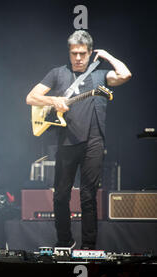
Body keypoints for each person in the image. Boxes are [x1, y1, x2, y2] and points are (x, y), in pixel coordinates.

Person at [26, 30, 131, 249]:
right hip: (66, 141)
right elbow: (30, 97)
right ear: (69, 52)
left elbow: (125, 75)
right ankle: (64, 241)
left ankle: (89, 247)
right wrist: (54, 100)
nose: (78, 58)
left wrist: (108, 56)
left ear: (90, 52)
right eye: (74, 53)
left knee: (88, 196)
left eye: (83, 53)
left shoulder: (101, 76)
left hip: (94, 141)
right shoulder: (58, 73)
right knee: (61, 196)